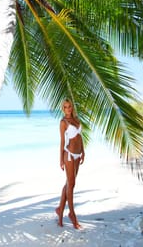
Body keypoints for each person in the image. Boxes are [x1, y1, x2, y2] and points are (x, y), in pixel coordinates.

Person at [55, 98, 85, 229]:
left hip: (78, 155)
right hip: (69, 155)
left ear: (72, 107)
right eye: (65, 107)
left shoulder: (77, 120)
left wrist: (83, 151)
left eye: (70, 106)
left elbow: (80, 137)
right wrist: (60, 159)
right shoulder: (63, 122)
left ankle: (60, 210)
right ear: (63, 109)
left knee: (69, 183)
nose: (68, 109)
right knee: (71, 184)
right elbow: (62, 141)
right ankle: (72, 214)